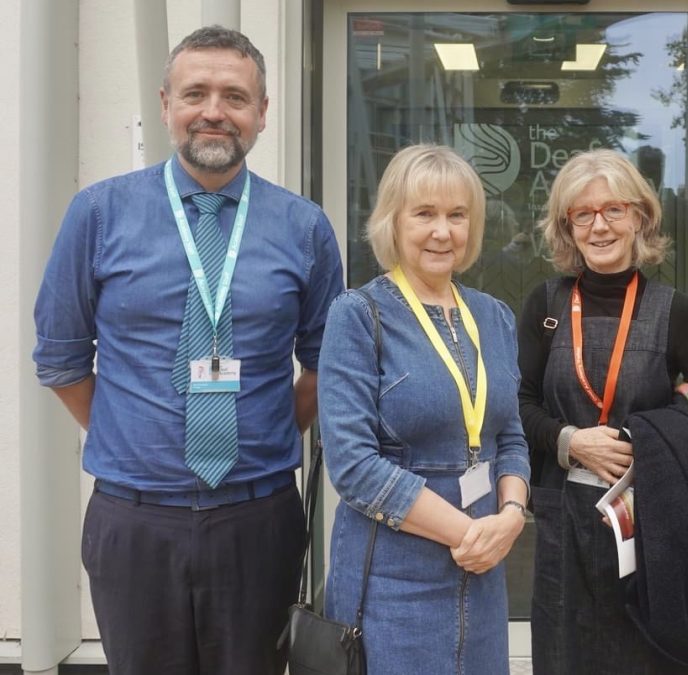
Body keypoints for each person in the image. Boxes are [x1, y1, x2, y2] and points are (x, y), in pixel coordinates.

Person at [32, 26, 344, 675]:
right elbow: (61, 360)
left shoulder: (304, 227)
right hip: (134, 522)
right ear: (166, 103)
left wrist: (262, 430)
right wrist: (132, 434)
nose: (213, 110)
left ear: (262, 113)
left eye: (234, 96)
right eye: (195, 92)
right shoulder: (97, 214)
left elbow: (323, 365)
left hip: (258, 519)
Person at [318, 144, 530, 674]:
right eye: (425, 214)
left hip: (483, 571)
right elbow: (353, 466)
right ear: (393, 219)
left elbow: (511, 437)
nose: (443, 231)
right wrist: (468, 534)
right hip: (392, 579)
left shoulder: (495, 316)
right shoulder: (358, 315)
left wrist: (511, 516)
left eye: (457, 215)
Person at [518, 149, 688, 674]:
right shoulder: (544, 307)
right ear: (567, 228)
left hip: (650, 523)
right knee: (565, 658)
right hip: (562, 521)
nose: (599, 226)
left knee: (642, 658)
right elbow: (516, 405)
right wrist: (570, 442)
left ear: (639, 216)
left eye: (613, 209)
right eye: (582, 214)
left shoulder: (676, 312)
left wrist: (649, 441)